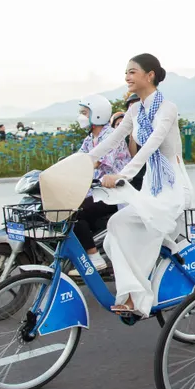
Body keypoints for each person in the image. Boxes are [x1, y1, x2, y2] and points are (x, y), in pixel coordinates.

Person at [89, 54, 192, 317]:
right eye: (126, 72)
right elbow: (113, 139)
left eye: (133, 71)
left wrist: (122, 175)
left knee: (149, 232)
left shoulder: (167, 108)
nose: (127, 77)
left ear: (150, 75)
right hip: (150, 186)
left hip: (172, 185)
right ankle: (133, 293)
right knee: (116, 225)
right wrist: (86, 161)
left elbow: (152, 144)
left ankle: (139, 298)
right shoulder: (134, 111)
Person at [72, 95, 133, 272]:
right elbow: (79, 158)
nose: (81, 116)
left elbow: (96, 161)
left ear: (97, 114)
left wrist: (80, 166)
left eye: (84, 112)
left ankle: (94, 258)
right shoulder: (90, 138)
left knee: (75, 213)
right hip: (97, 191)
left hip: (115, 193)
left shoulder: (111, 136)